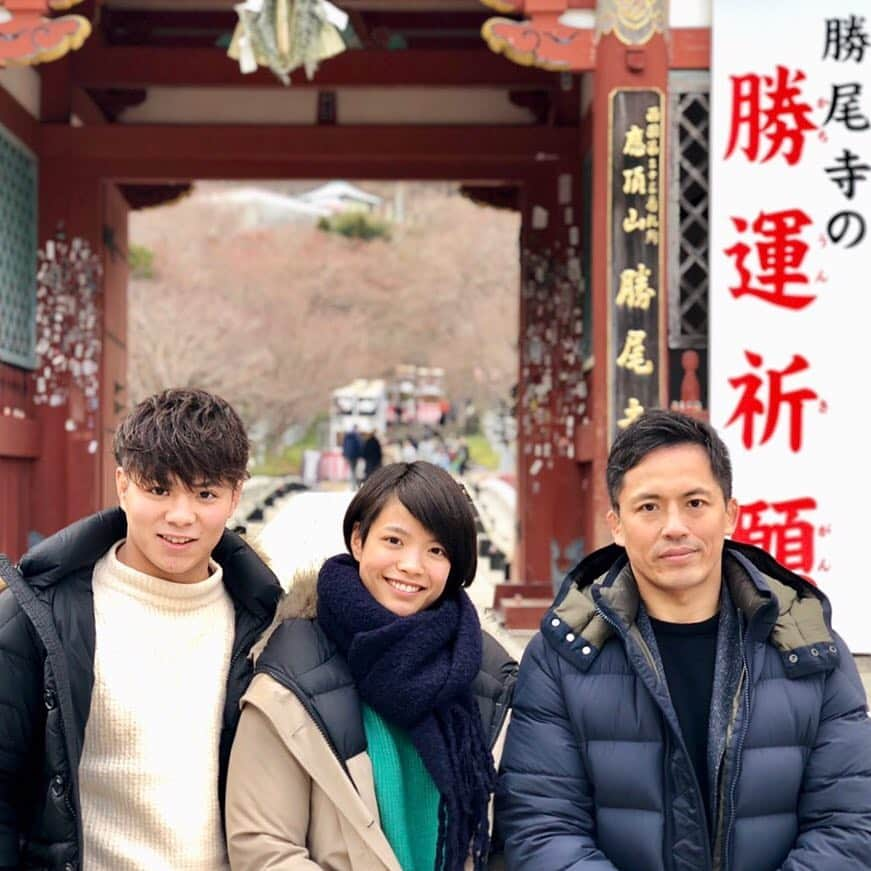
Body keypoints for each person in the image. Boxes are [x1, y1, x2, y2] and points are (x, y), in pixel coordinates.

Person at [496, 409, 871, 870]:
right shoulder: (565, 656)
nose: (674, 526)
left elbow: (850, 824)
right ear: (616, 524)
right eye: (649, 507)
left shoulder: (808, 646)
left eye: (695, 503)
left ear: (730, 513)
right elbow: (542, 829)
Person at [0, 388, 282, 871]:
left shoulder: (267, 624)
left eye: (205, 493)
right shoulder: (39, 616)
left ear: (236, 495)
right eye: (158, 489)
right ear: (123, 485)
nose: (180, 515)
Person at [226, 461, 517, 871]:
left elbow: (514, 837)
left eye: (436, 550)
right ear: (359, 540)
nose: (412, 565)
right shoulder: (292, 666)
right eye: (394, 541)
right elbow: (265, 847)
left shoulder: (487, 672)